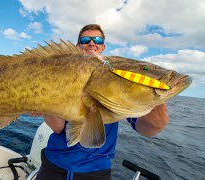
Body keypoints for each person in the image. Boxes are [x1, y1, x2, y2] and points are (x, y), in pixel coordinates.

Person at [33, 24, 169, 180]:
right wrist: (43, 105)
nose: (91, 43)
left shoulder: (117, 79)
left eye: (97, 40)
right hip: (54, 164)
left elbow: (151, 129)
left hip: (96, 171)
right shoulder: (56, 75)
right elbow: (58, 128)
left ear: (102, 47)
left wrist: (155, 91)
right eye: (85, 40)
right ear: (78, 46)